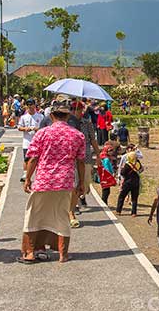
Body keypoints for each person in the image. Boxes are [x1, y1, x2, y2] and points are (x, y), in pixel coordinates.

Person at [20, 97, 86, 264]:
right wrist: (81, 183)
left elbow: (33, 158)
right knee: (62, 216)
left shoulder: (42, 133)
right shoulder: (77, 135)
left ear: (51, 116)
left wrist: (27, 178)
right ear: (68, 116)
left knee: (34, 215)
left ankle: (29, 252)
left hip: (43, 180)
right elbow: (80, 161)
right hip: (65, 181)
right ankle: (63, 254)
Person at [67, 100, 98, 224]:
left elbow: (93, 140)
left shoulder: (87, 123)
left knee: (84, 183)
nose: (75, 112)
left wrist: (98, 156)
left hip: (85, 157)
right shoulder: (67, 124)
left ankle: (79, 197)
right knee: (73, 183)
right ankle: (73, 207)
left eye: (78, 110)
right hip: (71, 158)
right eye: (73, 109)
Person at [17, 100, 43, 182]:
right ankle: (25, 173)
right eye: (28, 105)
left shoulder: (40, 116)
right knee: (26, 158)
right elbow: (19, 127)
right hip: (27, 141)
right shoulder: (24, 117)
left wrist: (38, 129)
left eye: (31, 105)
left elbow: (44, 128)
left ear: (35, 105)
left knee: (39, 158)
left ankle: (39, 174)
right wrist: (25, 129)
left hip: (38, 141)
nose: (30, 107)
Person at [116, 143, 143, 216]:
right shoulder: (137, 163)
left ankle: (118, 210)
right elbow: (141, 170)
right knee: (134, 198)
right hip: (136, 182)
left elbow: (122, 173)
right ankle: (134, 212)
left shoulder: (127, 164)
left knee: (122, 196)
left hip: (127, 182)